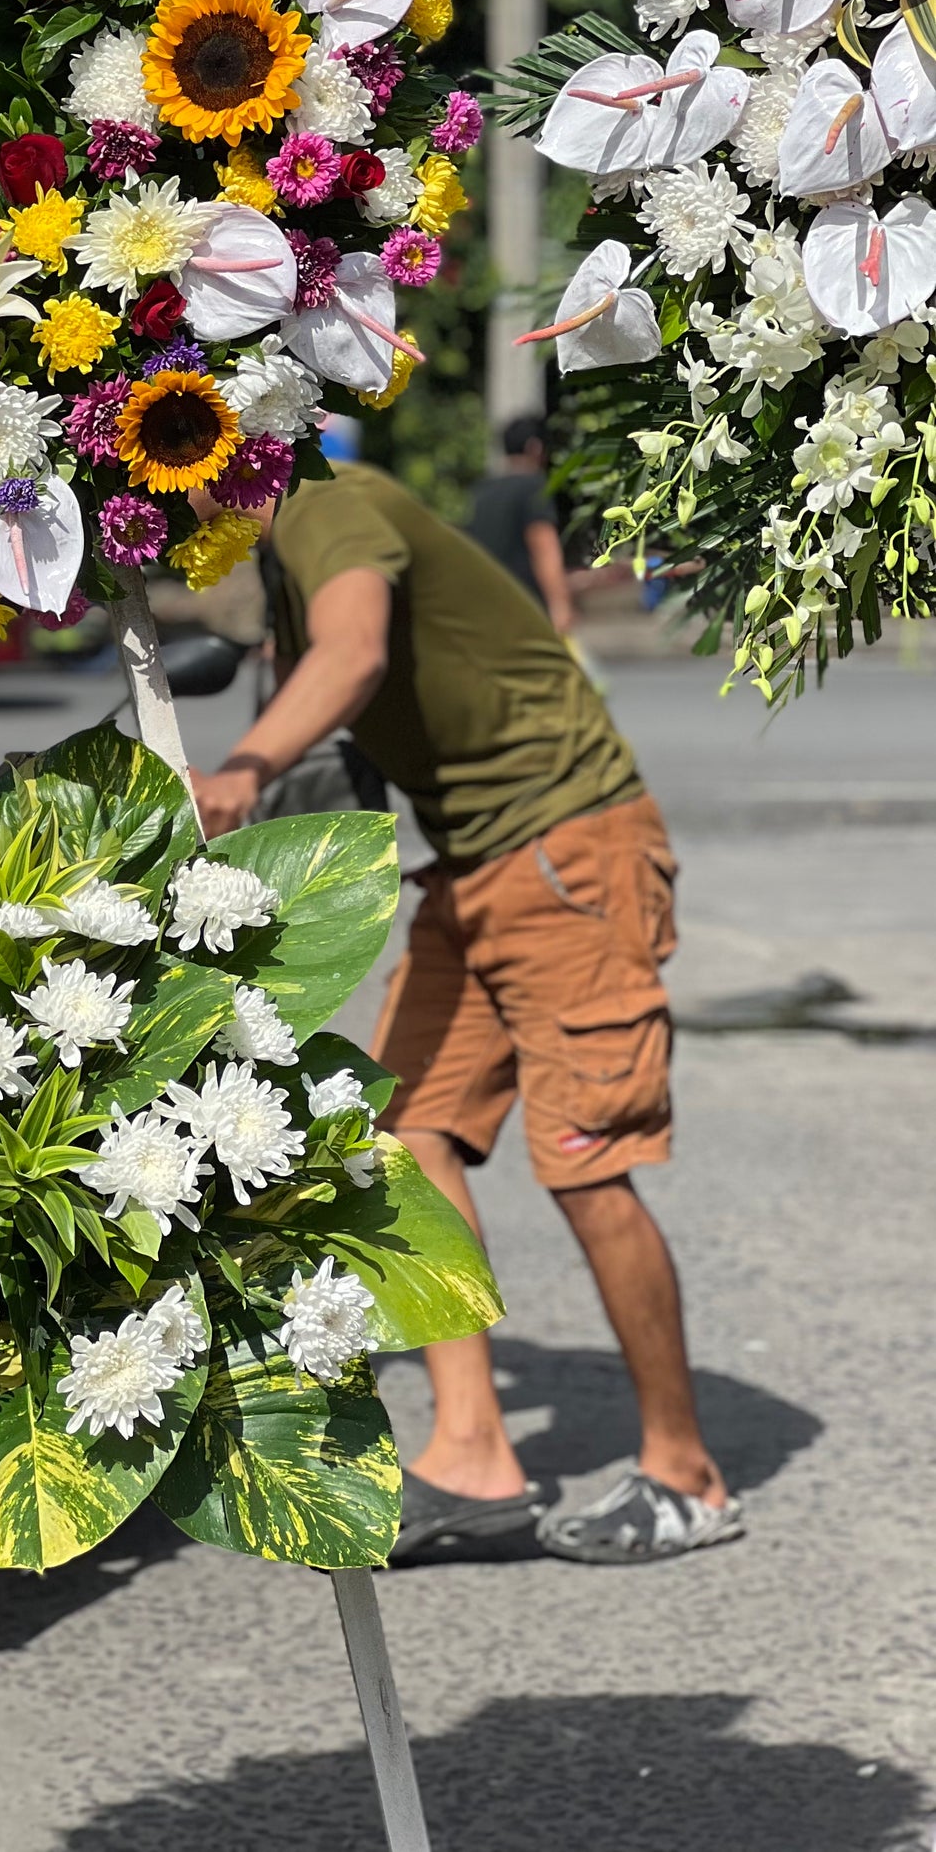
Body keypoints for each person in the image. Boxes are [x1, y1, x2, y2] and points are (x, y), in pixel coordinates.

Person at [192, 456, 741, 1566]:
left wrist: (243, 770)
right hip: (478, 864)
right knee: (403, 1140)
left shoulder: (324, 507)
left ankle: (686, 1476)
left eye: (165, 486)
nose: (165, 521)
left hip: (566, 851)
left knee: (586, 1163)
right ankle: (475, 1453)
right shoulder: (288, 551)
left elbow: (355, 654)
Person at [466, 414, 575, 632]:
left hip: (486, 606)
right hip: (526, 606)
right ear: (534, 447)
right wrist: (560, 604)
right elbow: (543, 545)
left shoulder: (482, 490)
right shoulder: (533, 486)